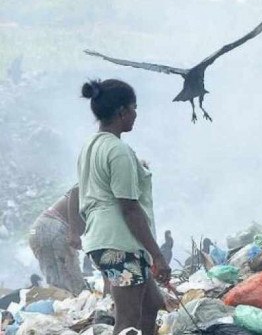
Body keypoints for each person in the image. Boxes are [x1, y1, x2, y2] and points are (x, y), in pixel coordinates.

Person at [77, 79, 169, 335]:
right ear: (122, 111)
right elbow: (129, 207)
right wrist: (158, 256)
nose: (136, 114)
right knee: (128, 319)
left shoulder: (92, 145)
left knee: (152, 305)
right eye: (134, 108)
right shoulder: (118, 150)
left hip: (104, 240)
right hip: (119, 243)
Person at [28, 185, 87, 295]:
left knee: (58, 287)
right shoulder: (95, 178)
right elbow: (75, 192)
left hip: (41, 228)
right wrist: (74, 232)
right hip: (52, 229)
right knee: (72, 288)